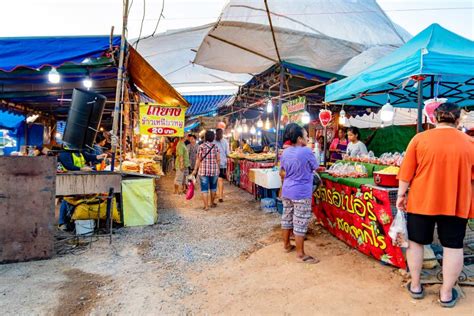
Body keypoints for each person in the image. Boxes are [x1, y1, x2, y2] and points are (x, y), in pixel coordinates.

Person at [397, 102, 474, 308]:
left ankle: (415, 286)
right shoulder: (470, 142)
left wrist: (401, 195)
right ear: (458, 120)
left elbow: (406, 172)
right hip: (456, 202)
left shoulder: (419, 139)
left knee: (416, 243)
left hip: (422, 201)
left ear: (435, 118)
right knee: (453, 246)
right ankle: (446, 294)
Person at [280, 123, 319, 264]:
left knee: (287, 217)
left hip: (287, 190)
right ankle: (300, 254)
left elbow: (282, 171)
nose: (307, 138)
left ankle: (286, 246)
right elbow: (316, 167)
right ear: (299, 138)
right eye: (305, 135)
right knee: (300, 221)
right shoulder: (306, 151)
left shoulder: (285, 152)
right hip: (301, 192)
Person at [191, 130, 220, 211]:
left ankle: (206, 206)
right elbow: (218, 159)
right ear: (213, 138)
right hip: (214, 170)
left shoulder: (201, 147)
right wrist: (218, 169)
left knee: (204, 189)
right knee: (213, 188)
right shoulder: (215, 147)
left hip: (203, 170)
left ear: (206, 137)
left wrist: (195, 169)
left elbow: (198, 159)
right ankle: (212, 203)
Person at [213, 128, 230, 202]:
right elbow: (228, 153)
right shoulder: (225, 141)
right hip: (223, 163)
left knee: (214, 180)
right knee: (220, 180)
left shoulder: (213, 142)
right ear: (222, 134)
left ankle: (215, 194)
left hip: (214, 163)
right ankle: (220, 196)